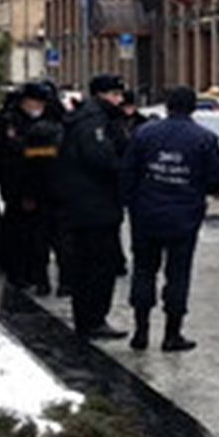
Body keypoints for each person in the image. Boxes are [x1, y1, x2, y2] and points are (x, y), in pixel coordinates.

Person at [121, 85, 219, 352]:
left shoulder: (144, 133)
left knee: (144, 270)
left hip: (146, 214)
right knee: (178, 274)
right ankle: (172, 333)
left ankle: (141, 331)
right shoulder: (204, 139)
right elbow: (216, 179)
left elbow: (128, 172)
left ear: (167, 105)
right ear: (193, 108)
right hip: (184, 215)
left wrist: (132, 203)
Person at [59, 73, 130, 340]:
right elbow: (101, 158)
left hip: (88, 204)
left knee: (89, 264)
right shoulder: (94, 121)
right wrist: (125, 169)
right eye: (115, 94)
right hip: (94, 205)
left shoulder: (90, 117)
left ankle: (89, 319)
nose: (119, 100)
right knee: (100, 264)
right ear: (103, 94)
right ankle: (92, 320)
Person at [0, 82, 63, 295]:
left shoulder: (46, 118)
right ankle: (19, 273)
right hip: (19, 186)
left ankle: (33, 274)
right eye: (34, 102)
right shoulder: (10, 120)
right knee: (20, 233)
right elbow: (13, 157)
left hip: (44, 185)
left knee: (39, 234)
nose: (38, 106)